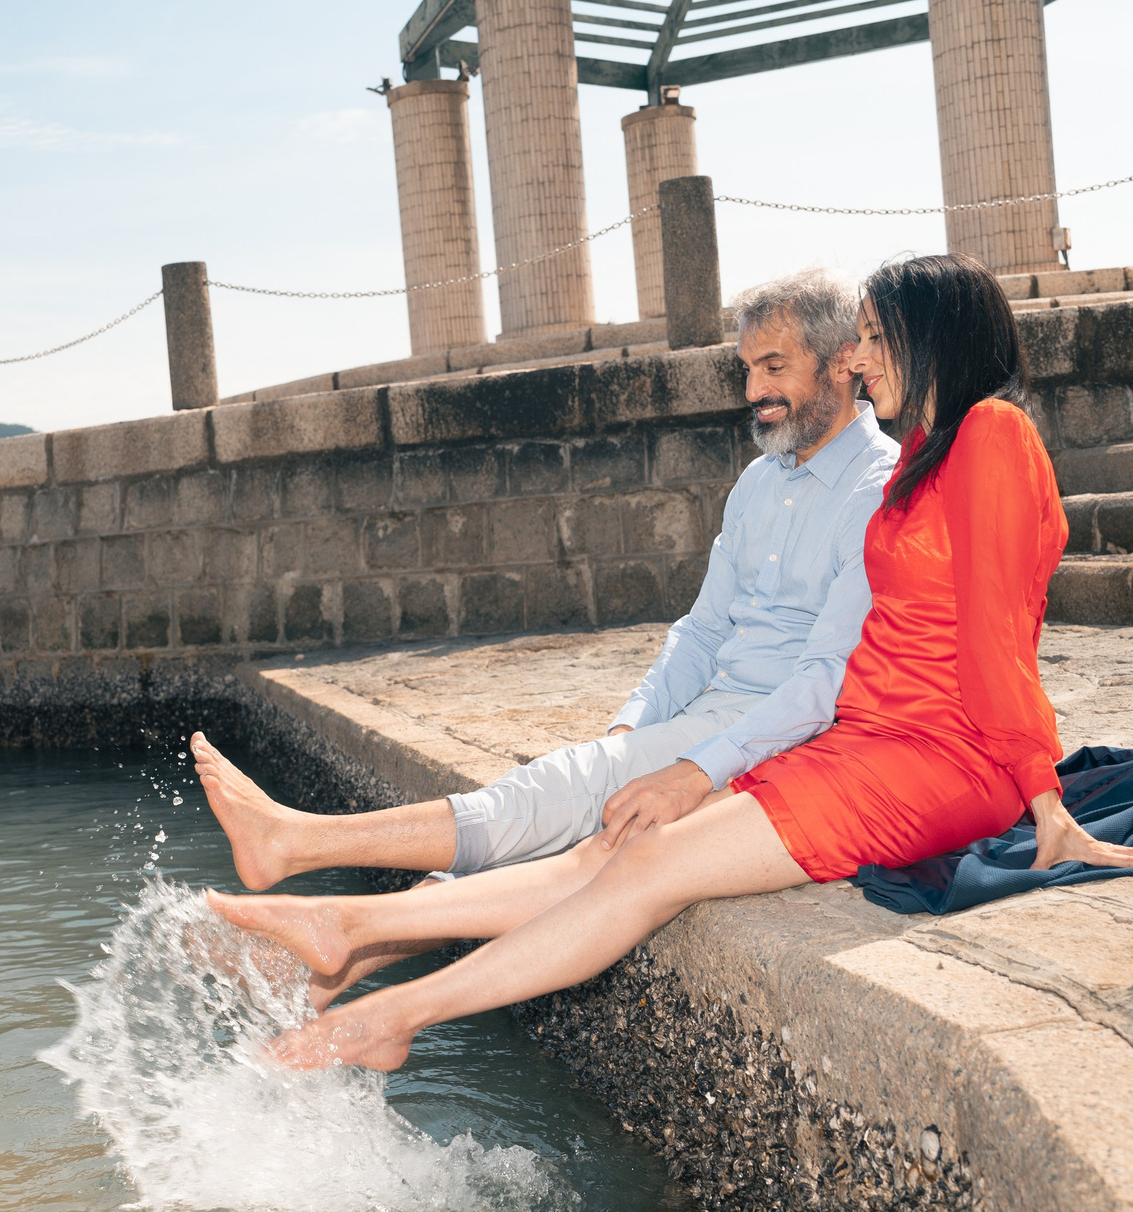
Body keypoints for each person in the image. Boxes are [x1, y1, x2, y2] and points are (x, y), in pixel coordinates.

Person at [213, 253, 1133, 1071]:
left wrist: (1045, 800)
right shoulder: (927, 450)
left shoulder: (991, 436)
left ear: (933, 338)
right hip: (862, 740)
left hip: (939, 755)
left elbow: (998, 638)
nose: (862, 356)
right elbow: (732, 630)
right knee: (612, 847)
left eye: (878, 338)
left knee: (649, 860)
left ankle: (382, 998)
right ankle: (355, 945)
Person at [191, 268, 901, 906]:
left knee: (565, 790)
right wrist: (633, 727)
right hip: (714, 714)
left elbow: (823, 683)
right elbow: (704, 629)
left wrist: (692, 766)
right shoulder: (756, 483)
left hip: (783, 737)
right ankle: (335, 958)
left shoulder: (879, 490)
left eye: (773, 366)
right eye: (746, 368)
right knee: (563, 811)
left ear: (844, 362)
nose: (751, 392)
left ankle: (300, 842)